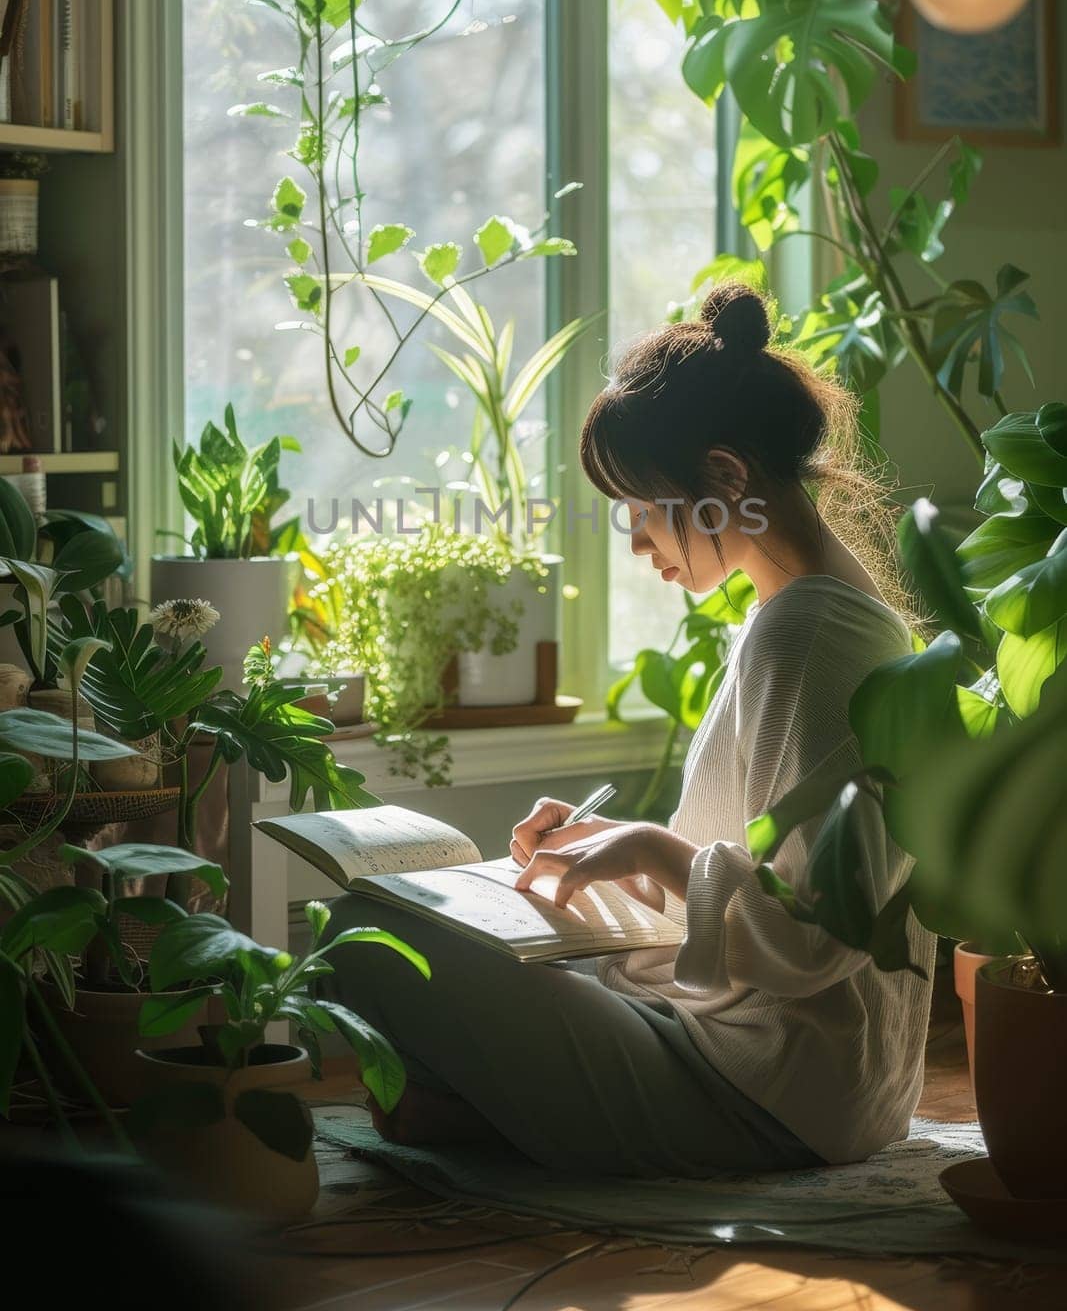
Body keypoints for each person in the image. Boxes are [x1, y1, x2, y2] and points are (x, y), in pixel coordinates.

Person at [323, 283, 935, 1177]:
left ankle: (478, 1115)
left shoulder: (809, 636)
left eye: (643, 508)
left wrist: (650, 847)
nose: (639, 542)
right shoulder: (813, 616)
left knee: (357, 932)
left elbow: (813, 933)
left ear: (726, 480)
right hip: (786, 1079)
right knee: (442, 930)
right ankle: (482, 1114)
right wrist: (613, 844)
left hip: (766, 1099)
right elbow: (759, 878)